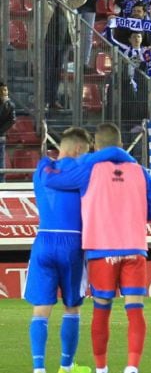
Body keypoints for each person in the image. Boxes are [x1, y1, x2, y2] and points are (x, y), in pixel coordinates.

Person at [44, 123, 151, 373]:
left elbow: (55, 181)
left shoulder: (89, 168)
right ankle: (132, 368)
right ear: (121, 144)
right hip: (134, 248)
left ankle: (102, 369)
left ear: (96, 146)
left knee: (101, 310)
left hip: (101, 249)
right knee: (135, 309)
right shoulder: (141, 172)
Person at [26, 128, 93, 373]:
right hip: (73, 243)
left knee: (41, 308)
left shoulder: (41, 169)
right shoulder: (84, 171)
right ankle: (66, 367)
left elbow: (52, 175)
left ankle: (39, 369)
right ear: (77, 149)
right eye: (85, 152)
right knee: (72, 307)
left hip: (43, 241)